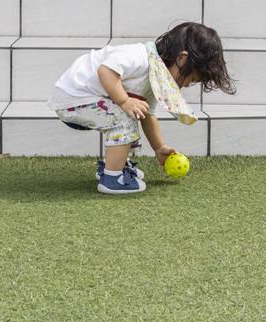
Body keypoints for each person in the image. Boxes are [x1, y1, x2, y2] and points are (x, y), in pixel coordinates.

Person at [47, 22, 236, 195]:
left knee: (134, 111)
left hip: (84, 100)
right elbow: (105, 71)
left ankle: (115, 165)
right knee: (126, 113)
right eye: (191, 79)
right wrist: (124, 101)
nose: (187, 85)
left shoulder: (156, 76)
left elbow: (148, 114)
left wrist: (159, 147)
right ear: (182, 59)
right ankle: (112, 178)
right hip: (74, 97)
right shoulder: (140, 57)